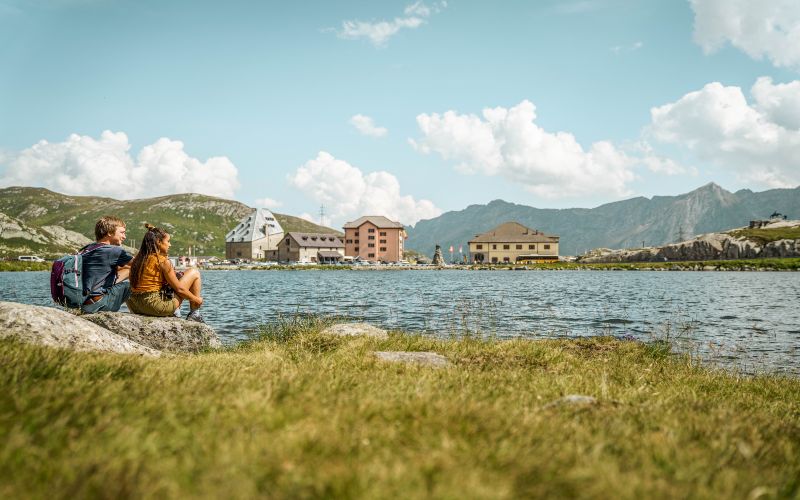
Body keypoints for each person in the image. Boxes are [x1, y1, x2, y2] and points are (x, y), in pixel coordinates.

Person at [126, 223, 205, 322]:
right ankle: (194, 313)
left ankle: (177, 311)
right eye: (168, 241)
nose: (170, 245)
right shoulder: (162, 261)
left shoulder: (138, 259)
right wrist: (196, 299)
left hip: (134, 305)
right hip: (154, 307)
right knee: (194, 272)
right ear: (158, 242)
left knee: (173, 282)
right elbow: (180, 290)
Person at [81, 215, 133, 314]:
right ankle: (138, 313)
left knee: (129, 270)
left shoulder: (89, 248)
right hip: (100, 304)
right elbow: (141, 265)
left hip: (84, 303)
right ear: (109, 232)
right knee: (130, 284)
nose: (124, 237)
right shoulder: (113, 250)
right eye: (122, 232)